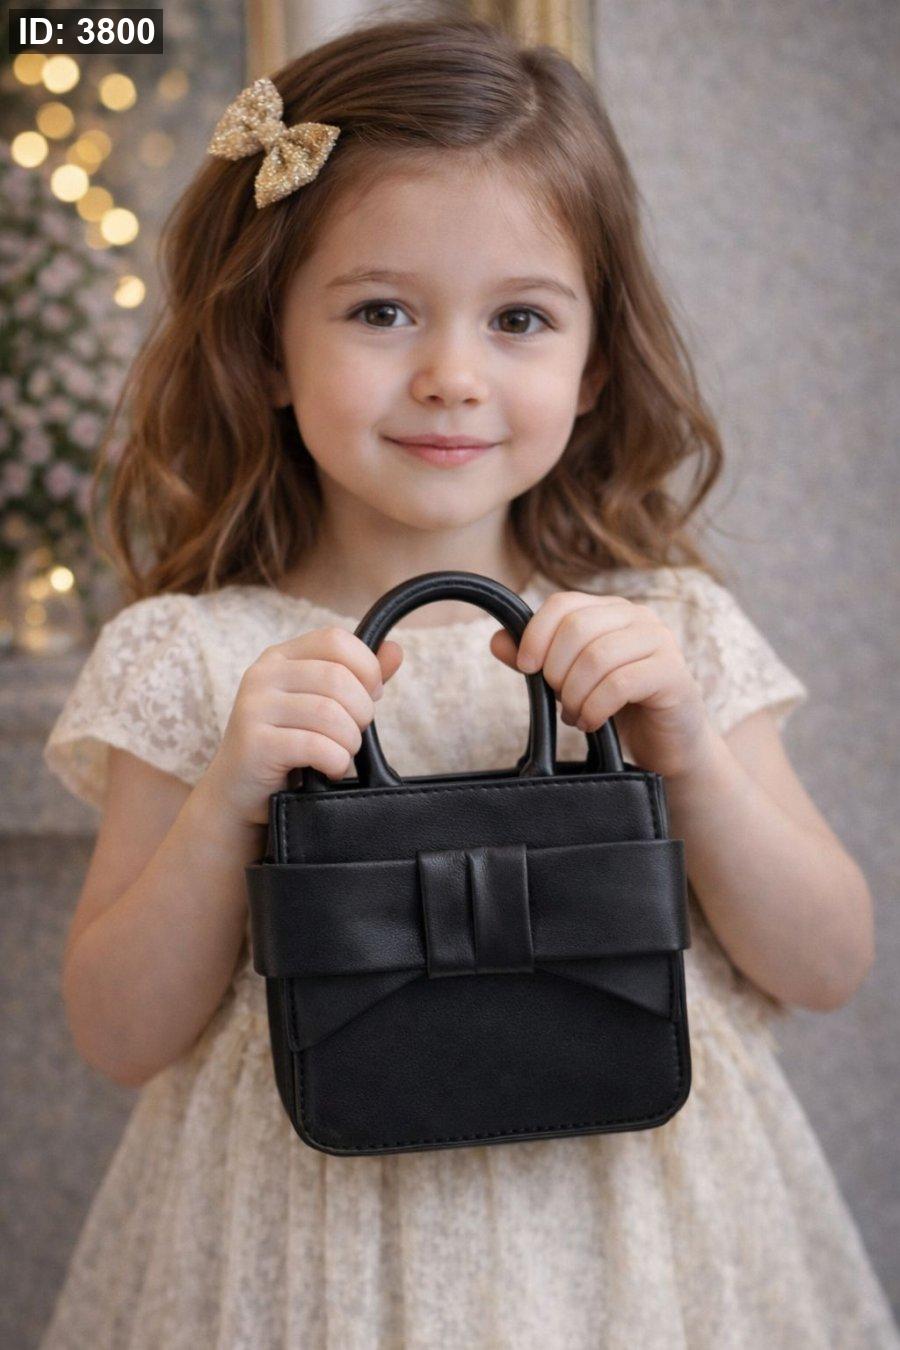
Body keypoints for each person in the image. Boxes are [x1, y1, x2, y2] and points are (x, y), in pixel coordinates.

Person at [38, 14, 899, 1349]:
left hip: (642, 1251)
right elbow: (119, 1033)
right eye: (381, 311)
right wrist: (227, 800)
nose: (451, 375)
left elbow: (829, 962)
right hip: (309, 1259)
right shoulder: (190, 658)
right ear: (266, 347)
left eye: (520, 319)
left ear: (593, 362)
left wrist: (686, 750)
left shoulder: (669, 630)